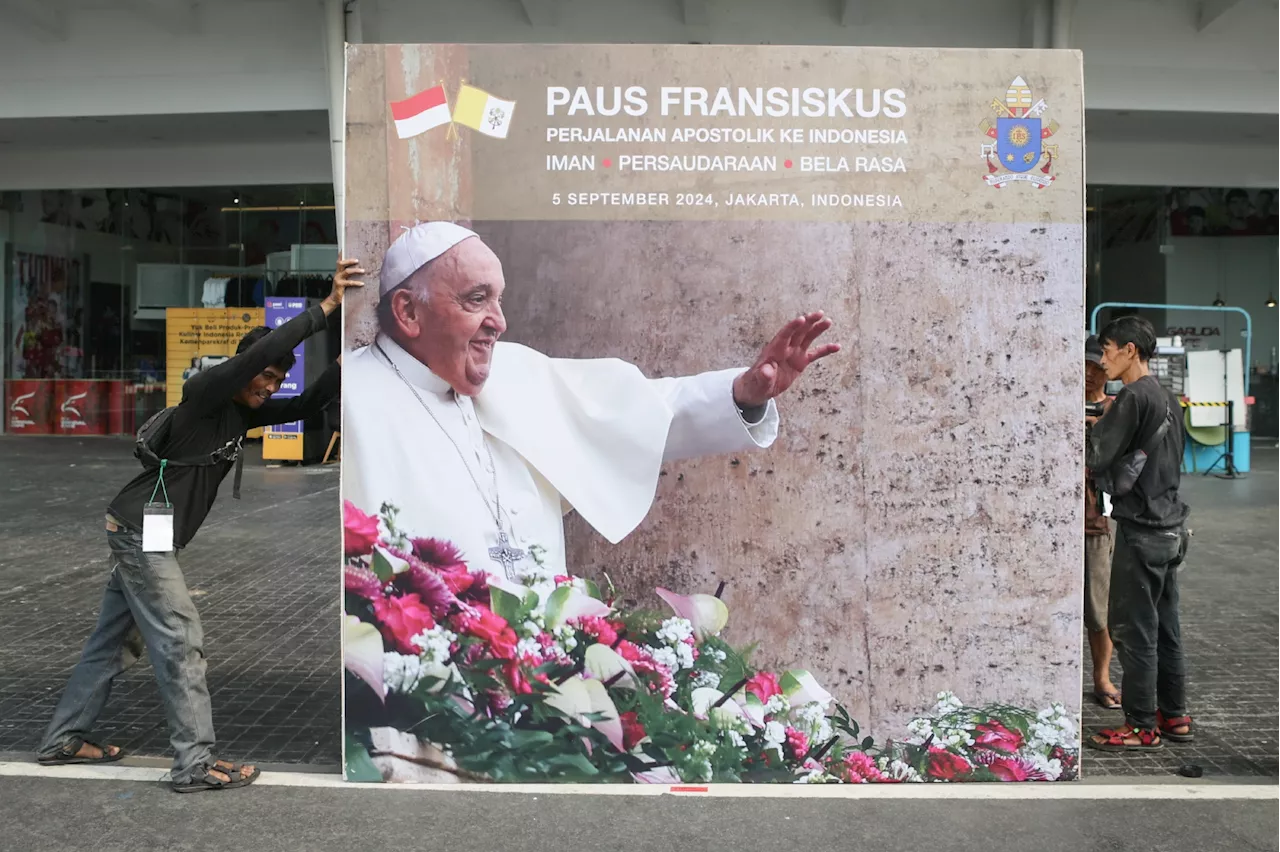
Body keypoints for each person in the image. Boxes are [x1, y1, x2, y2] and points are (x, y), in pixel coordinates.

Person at [343, 222, 838, 584]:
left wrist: (742, 394)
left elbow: (641, 411)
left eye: (500, 299)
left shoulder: (515, 371)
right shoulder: (353, 402)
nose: (500, 321)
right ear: (409, 311)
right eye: (477, 299)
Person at [36, 259, 363, 792]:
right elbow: (257, 355)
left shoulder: (242, 412)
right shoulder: (207, 393)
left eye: (278, 376)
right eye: (265, 374)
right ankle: (193, 763)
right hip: (142, 533)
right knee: (180, 638)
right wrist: (325, 308)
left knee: (112, 643)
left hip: (142, 531)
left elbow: (306, 404)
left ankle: (63, 738)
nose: (271, 383)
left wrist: (347, 365)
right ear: (243, 369)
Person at [1084, 316, 1192, 752]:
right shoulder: (1167, 397)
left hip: (1141, 530)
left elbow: (1094, 455)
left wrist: (1089, 425)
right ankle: (1175, 715)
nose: (1103, 358)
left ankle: (1141, 725)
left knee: (1135, 631)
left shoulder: (1130, 396)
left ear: (1130, 350)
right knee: (1168, 628)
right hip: (1172, 529)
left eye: (1108, 348)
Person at [1083, 334, 1119, 710]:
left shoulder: (1115, 409)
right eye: (1085, 366)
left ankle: (1102, 677)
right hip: (1057, 518)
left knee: (1098, 608)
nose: (1090, 374)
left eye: (1097, 367)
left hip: (1097, 519)